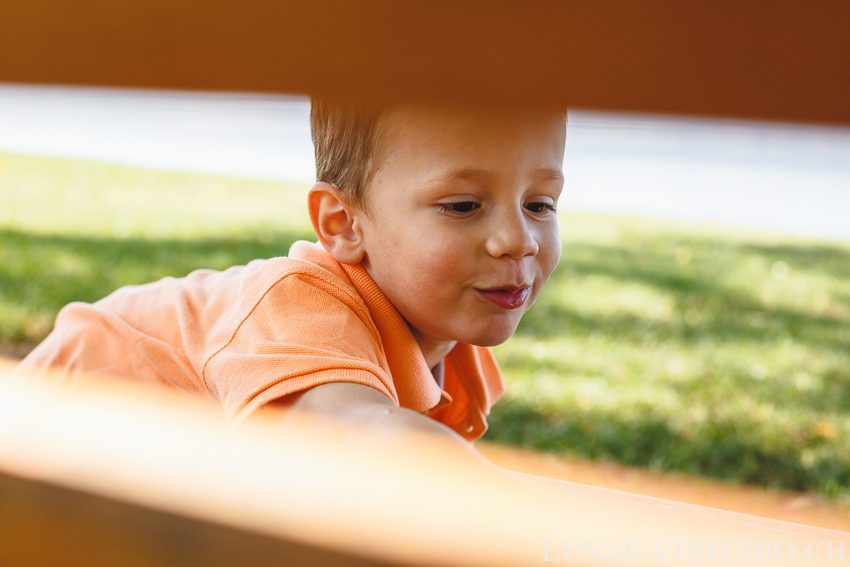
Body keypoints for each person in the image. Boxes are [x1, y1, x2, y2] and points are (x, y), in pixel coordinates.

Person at [13, 98, 566, 454]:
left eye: (540, 204)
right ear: (343, 224)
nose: (518, 240)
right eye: (464, 205)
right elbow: (356, 440)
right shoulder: (302, 306)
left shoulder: (454, 354)